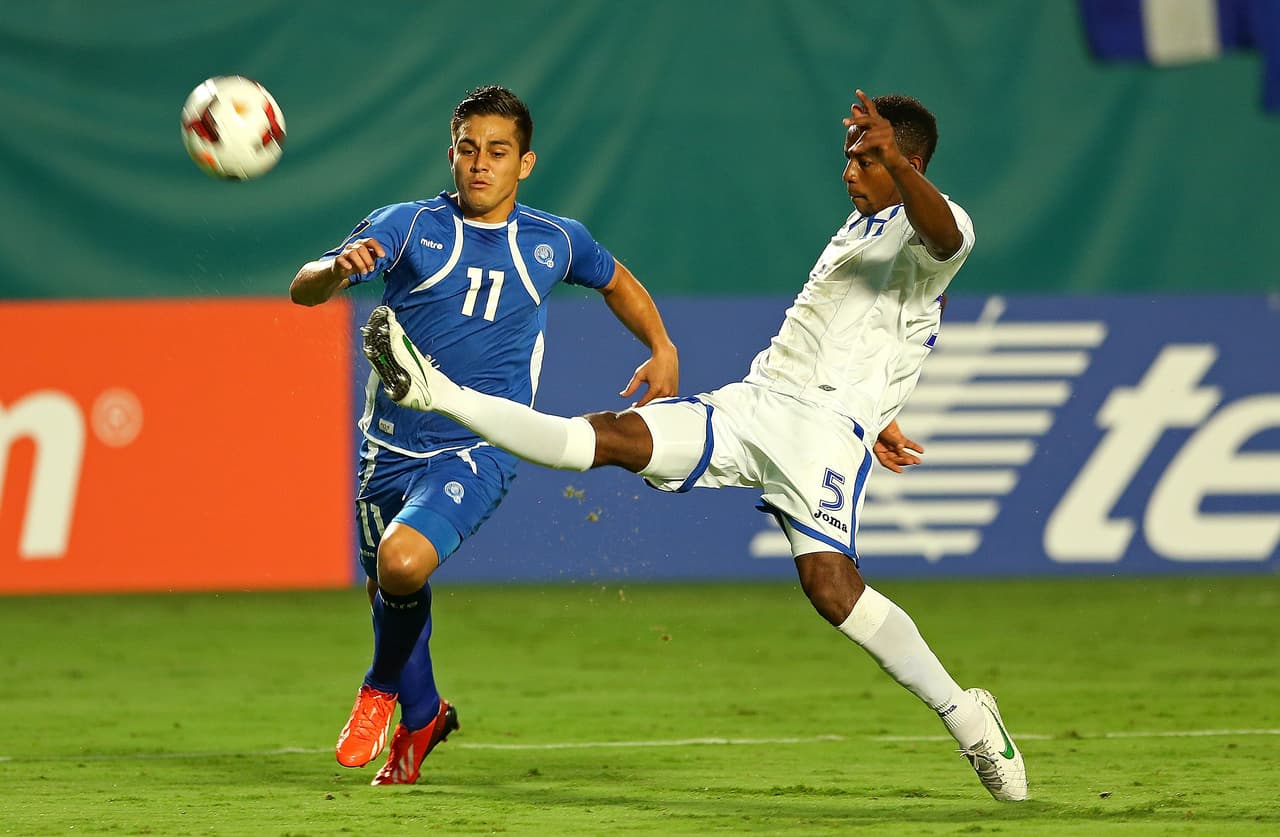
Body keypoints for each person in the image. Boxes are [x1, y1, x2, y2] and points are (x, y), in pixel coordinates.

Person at [361, 89, 1029, 801]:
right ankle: (441, 393)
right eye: (851, 157)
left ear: (908, 163)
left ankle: (969, 717)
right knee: (608, 437)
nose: (849, 171)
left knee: (831, 589)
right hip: (757, 402)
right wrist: (884, 405)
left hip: (823, 435)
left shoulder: (937, 221)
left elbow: (945, 242)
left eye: (867, 159)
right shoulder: (860, 228)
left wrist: (866, 412)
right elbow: (888, 329)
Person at [289, 85, 679, 786]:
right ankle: (424, 716)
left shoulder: (555, 240)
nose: (480, 164)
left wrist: (661, 345)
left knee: (401, 563)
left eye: (497, 152)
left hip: (479, 446)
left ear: (524, 163)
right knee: (389, 588)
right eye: (468, 149)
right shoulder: (408, 225)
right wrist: (335, 269)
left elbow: (615, 279)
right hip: (387, 449)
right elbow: (304, 287)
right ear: (451, 154)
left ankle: (378, 690)